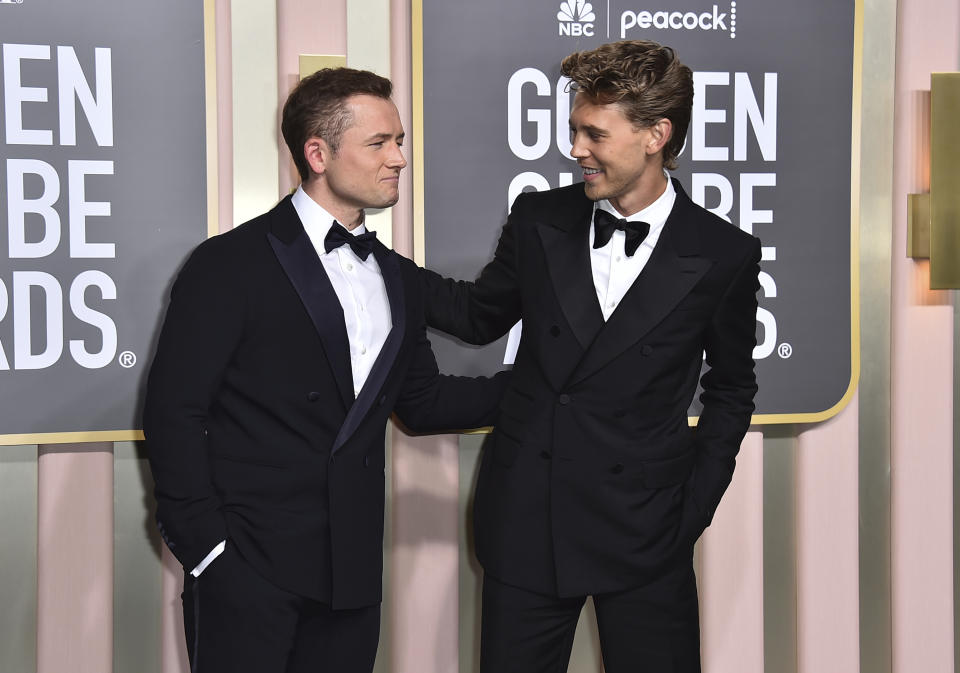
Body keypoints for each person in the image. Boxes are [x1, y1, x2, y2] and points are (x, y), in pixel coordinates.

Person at [143, 67, 506, 673]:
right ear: (318, 153)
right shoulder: (229, 262)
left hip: (351, 569)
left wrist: (545, 390)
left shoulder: (396, 277)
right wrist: (208, 550)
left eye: (400, 141)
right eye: (379, 143)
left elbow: (423, 403)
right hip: (247, 564)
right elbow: (174, 410)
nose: (399, 158)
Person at [423, 40, 760, 672]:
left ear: (656, 134)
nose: (575, 148)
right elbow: (477, 316)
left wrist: (693, 505)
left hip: (646, 526)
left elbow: (733, 387)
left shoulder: (724, 253)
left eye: (593, 133)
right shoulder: (540, 216)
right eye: (574, 129)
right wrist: (370, 266)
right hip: (528, 518)